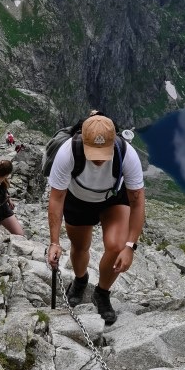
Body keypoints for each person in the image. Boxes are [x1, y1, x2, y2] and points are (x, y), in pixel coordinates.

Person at [46, 114, 145, 325]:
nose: (99, 159)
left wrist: (130, 246)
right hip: (78, 200)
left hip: (112, 199)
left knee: (117, 246)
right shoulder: (68, 152)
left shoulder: (127, 153)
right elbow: (56, 198)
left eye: (104, 152)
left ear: (113, 142)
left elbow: (137, 201)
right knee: (80, 246)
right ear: (83, 141)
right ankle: (81, 280)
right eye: (93, 152)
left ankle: (102, 292)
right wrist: (54, 242)